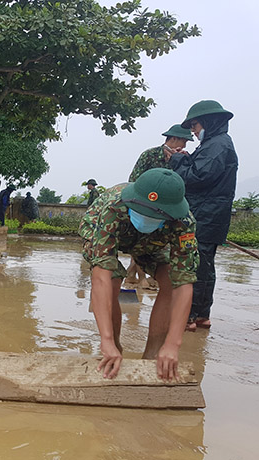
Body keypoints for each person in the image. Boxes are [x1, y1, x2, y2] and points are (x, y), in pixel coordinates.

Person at [78, 168, 198, 381]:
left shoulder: (183, 222)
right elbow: (101, 278)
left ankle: (153, 355)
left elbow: (184, 283)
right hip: (110, 228)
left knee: (170, 280)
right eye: (144, 212)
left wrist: (173, 344)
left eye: (153, 214)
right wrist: (106, 339)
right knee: (113, 280)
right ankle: (113, 349)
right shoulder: (113, 208)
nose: (147, 218)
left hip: (157, 240)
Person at [165, 100, 239, 331]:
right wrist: (186, 158)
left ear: (208, 122)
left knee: (193, 264)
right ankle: (201, 315)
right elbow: (202, 172)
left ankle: (188, 315)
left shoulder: (217, 145)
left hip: (205, 215)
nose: (193, 131)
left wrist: (176, 160)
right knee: (205, 266)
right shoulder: (215, 144)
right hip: (211, 214)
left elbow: (197, 178)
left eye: (195, 125)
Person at [128, 124, 194, 182]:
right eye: (184, 142)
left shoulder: (184, 158)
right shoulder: (150, 155)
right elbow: (133, 180)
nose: (184, 146)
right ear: (174, 138)